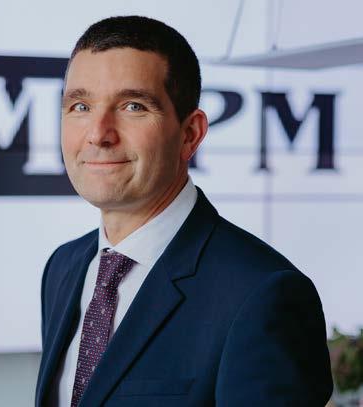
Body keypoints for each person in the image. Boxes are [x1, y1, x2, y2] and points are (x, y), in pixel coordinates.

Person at [35, 15, 333, 407]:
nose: (98, 133)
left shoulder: (263, 295)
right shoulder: (64, 267)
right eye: (80, 106)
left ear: (190, 134)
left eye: (132, 106)